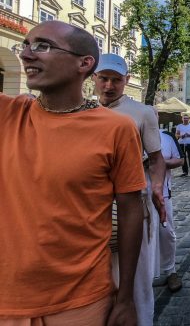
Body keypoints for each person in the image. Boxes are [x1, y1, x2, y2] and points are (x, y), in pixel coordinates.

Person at [0, 21, 145, 325]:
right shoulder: (9, 114)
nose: (27, 54)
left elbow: (132, 209)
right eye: (25, 45)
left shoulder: (117, 128)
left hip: (80, 301)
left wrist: (126, 297)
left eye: (42, 46)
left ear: (84, 63)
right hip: (7, 297)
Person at [93, 53, 166, 326]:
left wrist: (157, 187)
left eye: (116, 80)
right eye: (104, 79)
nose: (109, 86)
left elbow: (156, 158)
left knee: (134, 278)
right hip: (95, 208)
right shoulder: (86, 110)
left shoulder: (142, 112)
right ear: (94, 79)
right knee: (101, 278)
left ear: (127, 80)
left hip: (133, 204)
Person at [153, 123, 184, 293]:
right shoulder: (132, 134)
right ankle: (145, 273)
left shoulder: (166, 136)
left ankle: (170, 270)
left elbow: (180, 159)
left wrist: (161, 162)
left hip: (163, 193)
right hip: (136, 193)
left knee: (166, 232)